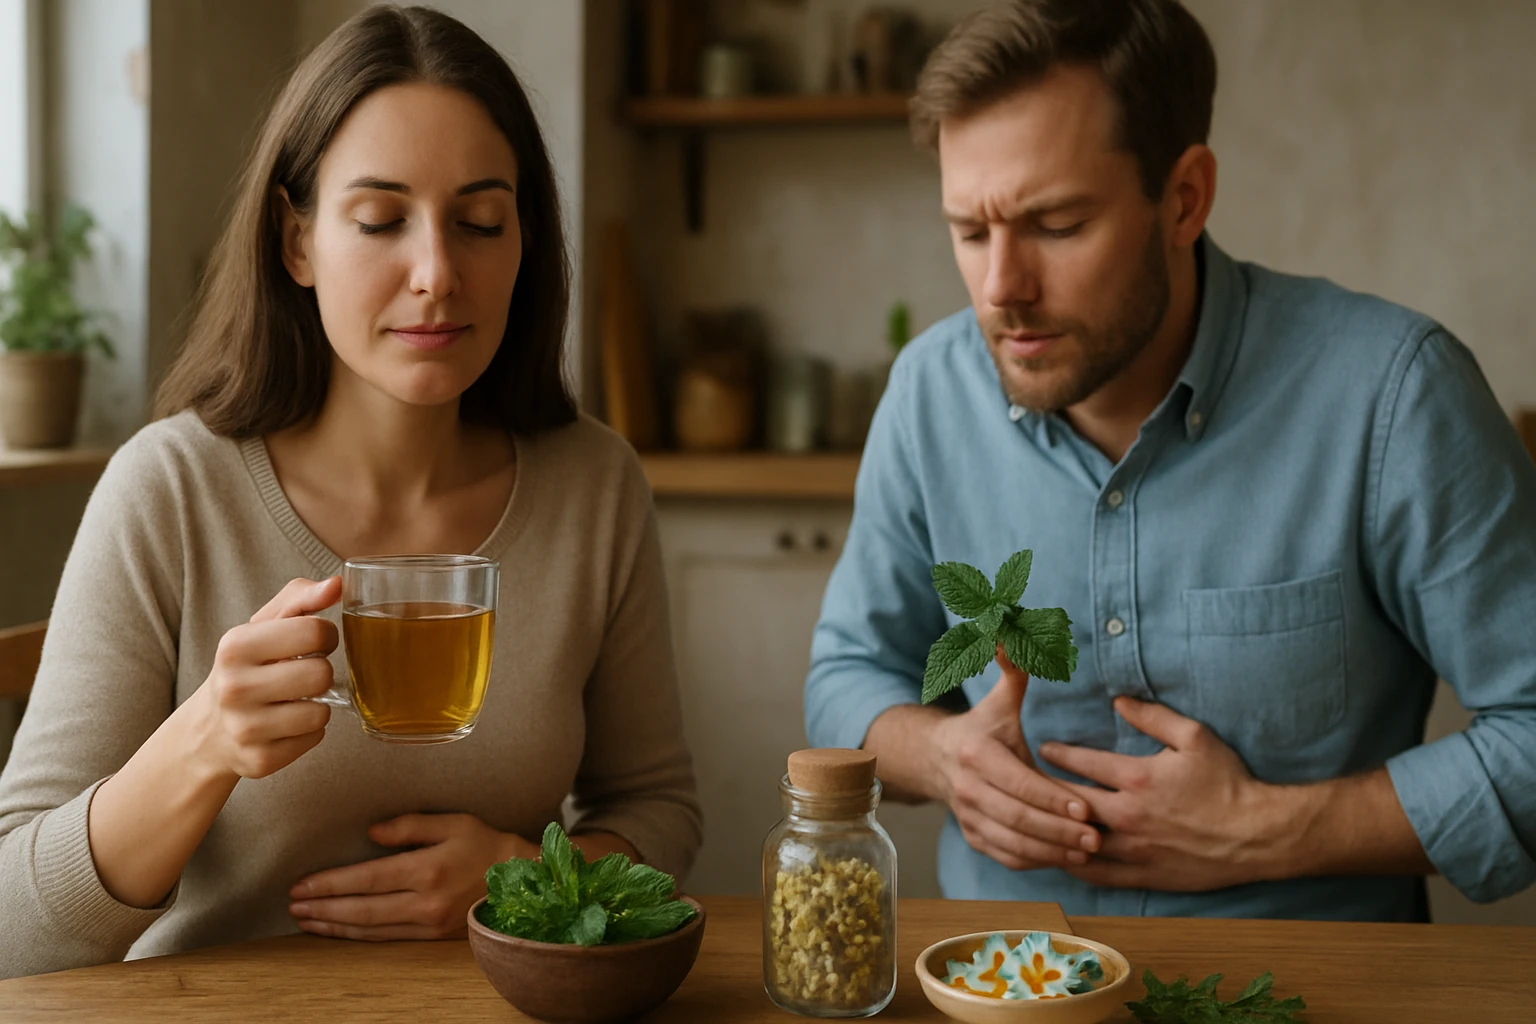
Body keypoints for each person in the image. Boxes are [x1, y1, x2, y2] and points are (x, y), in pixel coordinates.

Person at [0, 5, 700, 979]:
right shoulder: (167, 491)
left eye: (481, 221)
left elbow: (659, 811)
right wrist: (201, 742)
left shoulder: (595, 485)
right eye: (379, 220)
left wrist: (527, 878)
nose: (436, 273)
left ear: (524, 240)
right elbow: (11, 928)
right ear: (296, 242)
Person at [805, 0, 1536, 921]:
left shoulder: (1394, 396)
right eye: (970, 230)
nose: (1002, 290)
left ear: (1185, 197)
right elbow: (846, 676)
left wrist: (1272, 829)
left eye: (1058, 224)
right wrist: (943, 762)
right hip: (1004, 990)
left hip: (1313, 992)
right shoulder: (927, 395)